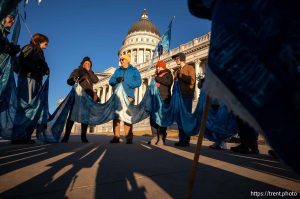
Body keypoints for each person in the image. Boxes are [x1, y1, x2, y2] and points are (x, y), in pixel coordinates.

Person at [12, 33, 49, 144]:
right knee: (25, 105)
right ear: (39, 41)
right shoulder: (30, 47)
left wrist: (44, 69)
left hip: (36, 80)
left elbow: (40, 65)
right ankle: (18, 136)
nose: (47, 45)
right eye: (46, 42)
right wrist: (37, 67)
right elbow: (21, 61)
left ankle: (25, 135)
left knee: (32, 107)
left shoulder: (40, 52)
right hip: (27, 78)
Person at [61, 57, 99, 143]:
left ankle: (83, 137)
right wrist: (73, 79)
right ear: (82, 64)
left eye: (89, 64)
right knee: (72, 115)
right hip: (78, 94)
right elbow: (69, 81)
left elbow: (96, 80)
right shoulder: (77, 71)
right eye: (86, 63)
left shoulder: (91, 73)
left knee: (85, 116)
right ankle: (66, 136)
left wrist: (89, 71)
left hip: (87, 95)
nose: (87, 65)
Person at [109, 54, 142, 144]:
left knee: (127, 116)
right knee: (116, 116)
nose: (121, 61)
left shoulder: (134, 70)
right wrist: (117, 80)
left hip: (128, 95)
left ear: (128, 60)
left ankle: (129, 137)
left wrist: (127, 83)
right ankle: (116, 136)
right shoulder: (117, 71)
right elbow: (110, 81)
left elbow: (139, 82)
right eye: (120, 60)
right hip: (118, 96)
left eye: (123, 59)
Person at [172, 52, 196, 147]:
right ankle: (181, 139)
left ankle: (186, 140)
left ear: (181, 58)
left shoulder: (190, 68)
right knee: (180, 119)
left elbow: (192, 81)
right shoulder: (177, 71)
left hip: (186, 97)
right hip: (178, 98)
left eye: (177, 58)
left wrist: (181, 75)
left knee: (186, 118)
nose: (175, 60)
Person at [148, 60, 173, 145]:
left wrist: (157, 78)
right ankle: (155, 136)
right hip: (154, 99)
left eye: (159, 66)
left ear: (163, 67)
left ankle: (162, 137)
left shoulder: (168, 74)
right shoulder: (155, 76)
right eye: (157, 67)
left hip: (164, 99)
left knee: (162, 119)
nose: (158, 68)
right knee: (153, 119)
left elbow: (168, 82)